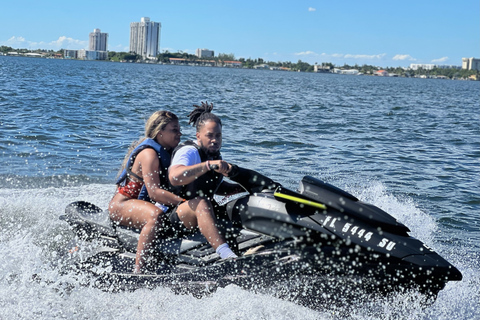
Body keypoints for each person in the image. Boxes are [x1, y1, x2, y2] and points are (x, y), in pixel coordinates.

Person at [109, 110, 185, 273]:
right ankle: (139, 269)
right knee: (155, 216)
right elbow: (154, 193)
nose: (180, 133)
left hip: (142, 204)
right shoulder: (149, 154)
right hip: (123, 204)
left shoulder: (171, 152)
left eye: (179, 129)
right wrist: (183, 203)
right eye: (174, 130)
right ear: (160, 133)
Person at [168, 102, 241, 259]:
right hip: (173, 215)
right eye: (210, 135)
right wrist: (208, 165)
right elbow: (175, 177)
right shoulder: (189, 151)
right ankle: (226, 255)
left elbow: (214, 187)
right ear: (198, 136)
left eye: (218, 136)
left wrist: (245, 189)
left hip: (195, 214)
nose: (215, 140)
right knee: (202, 203)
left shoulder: (214, 154)